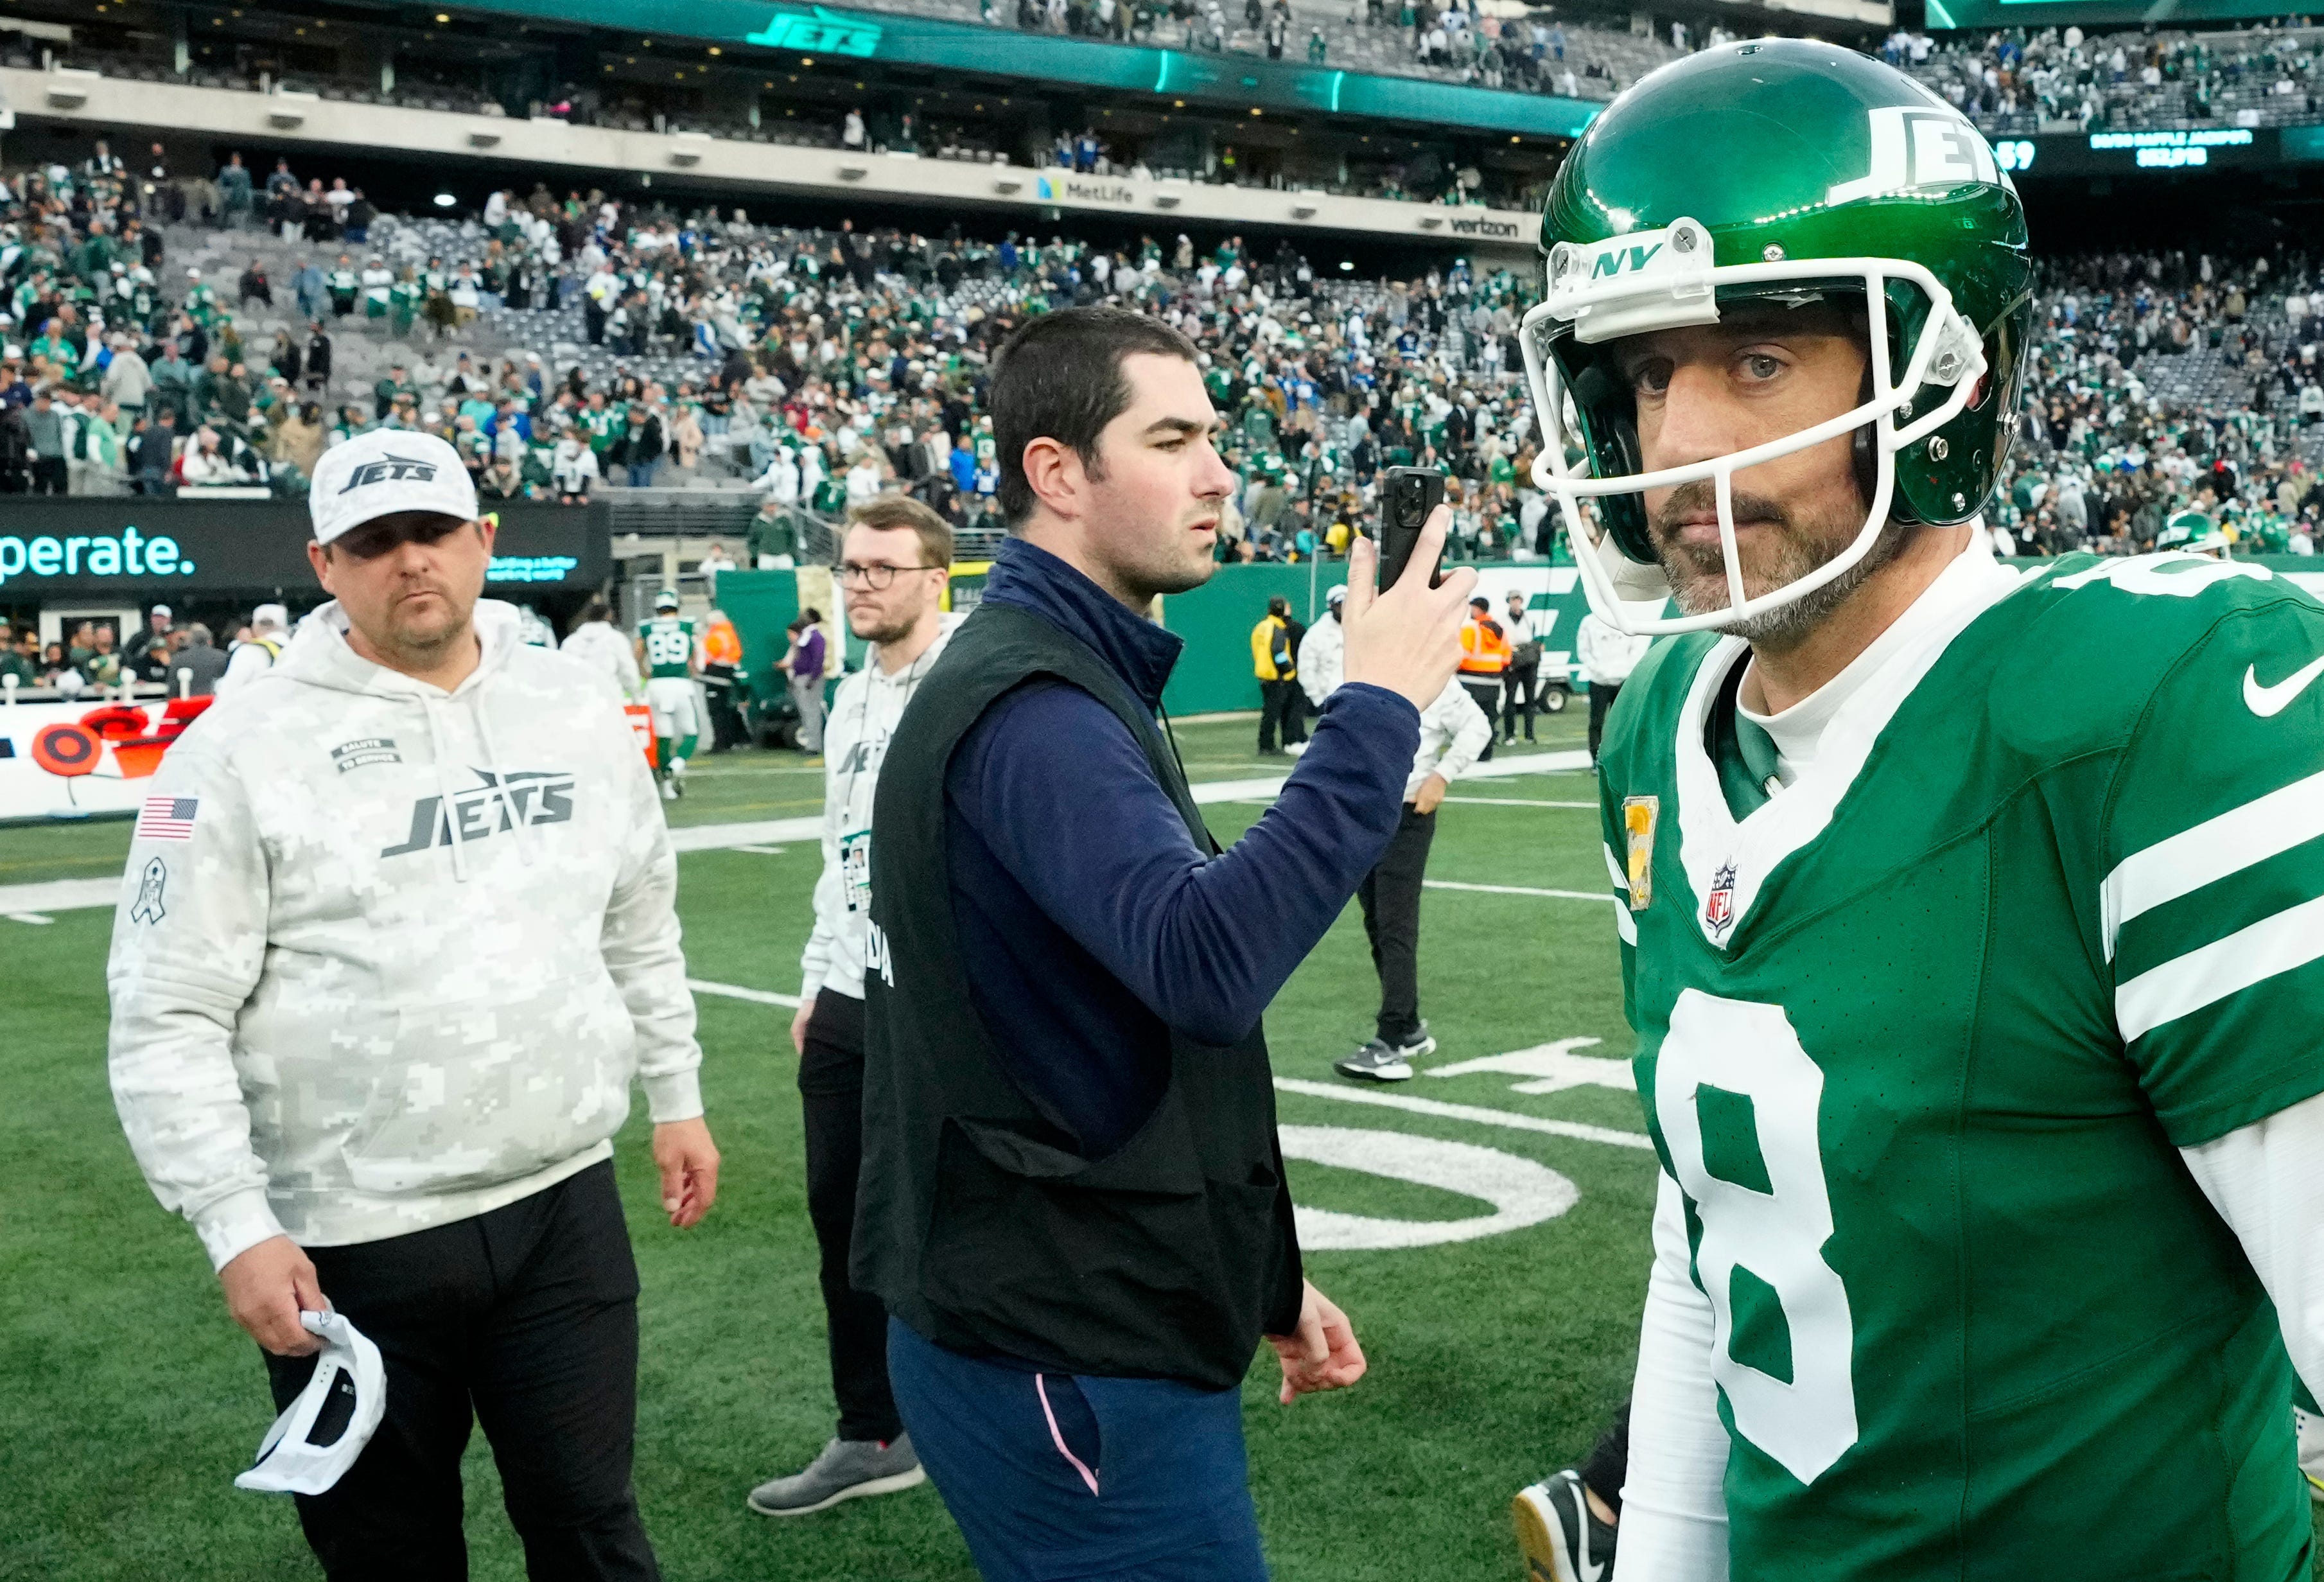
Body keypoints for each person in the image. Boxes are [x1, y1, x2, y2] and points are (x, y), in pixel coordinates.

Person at [1529, 40, 2324, 1579]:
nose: (1680, 443)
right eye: (1646, 371)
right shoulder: (1654, 734)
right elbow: (1712, 1253)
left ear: (1950, 375)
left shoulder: (2146, 713)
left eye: (1756, 359)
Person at [854, 306, 1473, 1582]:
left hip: (1074, 1308)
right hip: (1065, 1340)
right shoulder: (1032, 703)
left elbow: (1099, 1028)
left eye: (1215, 437)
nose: (1218, 472)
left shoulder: (1058, 669)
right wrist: (1373, 707)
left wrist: (1258, 1277)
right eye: (1174, 438)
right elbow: (1203, 965)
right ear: (1056, 473)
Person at [106, 427, 718, 1581]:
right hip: (350, 1239)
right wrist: (233, 1221)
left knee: (592, 1526)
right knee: (389, 1556)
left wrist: (675, 1097)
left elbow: (638, 912)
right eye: (372, 541)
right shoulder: (234, 748)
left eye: (432, 531)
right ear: (323, 563)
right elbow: (163, 1007)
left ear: (483, 540)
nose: (410, 560)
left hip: (560, 1203)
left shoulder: (572, 703)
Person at [749, 494, 957, 1520]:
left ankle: (987, 1410)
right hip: (849, 990)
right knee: (842, 1213)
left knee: (969, 1212)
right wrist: (812, 977)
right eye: (853, 568)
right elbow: (843, 852)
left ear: (935, 577)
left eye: (885, 567)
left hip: (943, 1000)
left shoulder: (969, 679)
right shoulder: (849, 695)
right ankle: (871, 1428)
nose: (863, 582)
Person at [1331, 672, 1492, 1082]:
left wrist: (1441, 777)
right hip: (1365, 812)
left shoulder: (1434, 677)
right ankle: (1409, 1027)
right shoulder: (1361, 668)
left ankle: (1391, 1039)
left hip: (1408, 812)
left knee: (1395, 925)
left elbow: (1478, 727)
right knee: (1375, 921)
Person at [634, 588, 701, 801]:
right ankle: (676, 765)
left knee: (663, 737)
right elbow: (697, 656)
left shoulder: (646, 627)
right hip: (681, 684)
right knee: (691, 733)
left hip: (657, 685)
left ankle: (667, 788)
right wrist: (694, 671)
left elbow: (637, 654)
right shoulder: (689, 624)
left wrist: (644, 672)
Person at [1575, 608, 1649, 770]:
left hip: (1622, 681)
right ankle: (1595, 759)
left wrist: (1627, 669)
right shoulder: (1589, 622)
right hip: (1598, 681)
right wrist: (1598, 669)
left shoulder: (1625, 618)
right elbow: (1583, 651)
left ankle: (1622, 758)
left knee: (1623, 721)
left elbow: (1636, 647)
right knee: (1596, 721)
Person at [1455, 594, 1510, 761]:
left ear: (1477, 609)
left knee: (1467, 720)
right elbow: (1506, 657)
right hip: (1493, 681)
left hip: (1470, 680)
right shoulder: (1499, 630)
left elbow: (1461, 654)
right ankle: (1486, 753)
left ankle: (1468, 754)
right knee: (1489, 718)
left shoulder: (1470, 629)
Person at [563, 599, 643, 707]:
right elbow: (627, 668)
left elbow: (563, 670)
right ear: (608, 616)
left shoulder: (570, 642)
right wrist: (635, 695)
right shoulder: (616, 639)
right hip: (608, 696)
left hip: (578, 698)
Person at [1251, 593, 1299, 755]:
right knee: (1274, 713)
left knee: (1269, 713)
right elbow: (1278, 651)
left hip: (1263, 674)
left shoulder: (1261, 626)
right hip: (1275, 676)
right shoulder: (1278, 628)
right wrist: (1288, 668)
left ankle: (1266, 744)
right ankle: (1267, 746)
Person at [779, 611, 828, 754]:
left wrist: (813, 677)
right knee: (806, 712)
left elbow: (818, 658)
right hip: (801, 676)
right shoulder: (806, 636)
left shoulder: (815, 637)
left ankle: (814, 745)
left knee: (811, 711)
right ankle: (810, 743)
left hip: (809, 677)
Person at [1498, 587, 1542, 745]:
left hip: (1529, 662)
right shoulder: (1502, 620)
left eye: (1518, 599)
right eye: (1513, 599)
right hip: (1512, 661)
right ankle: (1509, 735)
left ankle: (1529, 735)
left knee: (1530, 699)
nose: (1516, 602)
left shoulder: (1530, 618)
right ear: (1509, 602)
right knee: (1510, 699)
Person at [216, 604, 290, 696]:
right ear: (285, 627)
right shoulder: (297, 652)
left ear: (254, 627)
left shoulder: (248, 652)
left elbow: (227, 693)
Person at [1296, 583, 1347, 712]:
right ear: (1331, 606)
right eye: (1339, 605)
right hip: (1330, 699)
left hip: (1357, 698)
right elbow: (1306, 667)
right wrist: (1318, 699)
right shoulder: (1317, 633)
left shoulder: (1361, 629)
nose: (1344, 609)